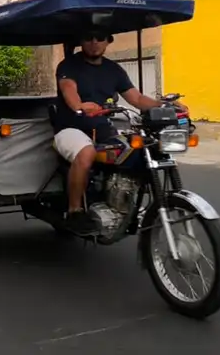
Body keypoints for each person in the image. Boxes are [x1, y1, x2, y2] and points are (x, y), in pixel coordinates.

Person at [53, 30, 165, 235]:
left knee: (141, 149)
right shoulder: (69, 65)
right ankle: (74, 211)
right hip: (70, 128)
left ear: (108, 41)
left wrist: (165, 106)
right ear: (81, 41)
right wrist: (79, 105)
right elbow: (69, 90)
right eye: (88, 37)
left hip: (103, 129)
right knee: (86, 153)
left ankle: (124, 200)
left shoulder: (114, 70)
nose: (94, 42)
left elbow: (137, 99)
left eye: (100, 38)